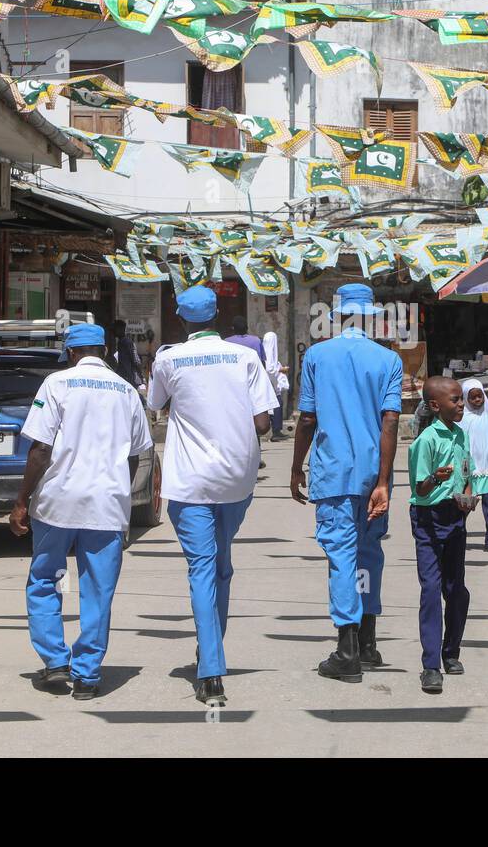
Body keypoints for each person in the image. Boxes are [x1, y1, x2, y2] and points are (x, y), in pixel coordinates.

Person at [147, 286, 279, 706]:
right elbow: (263, 423)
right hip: (237, 480)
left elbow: (158, 405)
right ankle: (211, 651)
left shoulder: (166, 358)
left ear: (181, 319)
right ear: (217, 314)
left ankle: (211, 671)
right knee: (221, 566)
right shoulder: (245, 357)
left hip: (190, 481)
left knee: (203, 571)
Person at [11, 322, 151, 701]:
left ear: (72, 353)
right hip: (107, 506)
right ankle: (87, 676)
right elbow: (136, 455)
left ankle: (55, 662)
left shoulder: (57, 384)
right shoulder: (126, 391)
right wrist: (119, 492)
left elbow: (40, 450)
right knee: (97, 590)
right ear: (103, 351)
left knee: (46, 579)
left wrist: (22, 499)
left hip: (57, 503)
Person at [291, 283, 403, 684]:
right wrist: (385, 481)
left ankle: (347, 649)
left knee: (341, 556)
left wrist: (295, 468)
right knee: (368, 555)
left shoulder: (318, 356)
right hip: (374, 475)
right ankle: (369, 641)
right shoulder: (389, 359)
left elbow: (307, 418)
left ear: (336, 315)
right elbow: (391, 421)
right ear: (371, 316)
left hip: (334, 476)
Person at [408, 377, 475, 694]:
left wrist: (467, 494)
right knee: (432, 590)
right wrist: (436, 477)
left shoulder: (461, 435)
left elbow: (466, 471)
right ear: (435, 406)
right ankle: (431, 664)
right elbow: (419, 489)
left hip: (455, 516)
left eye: (461, 399)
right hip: (429, 518)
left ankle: (452, 652)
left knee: (456, 589)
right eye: (455, 400)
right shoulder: (426, 441)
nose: (461, 404)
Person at [458, 378, 488, 554]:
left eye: (480, 396)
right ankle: (457, 538)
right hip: (469, 469)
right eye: (473, 398)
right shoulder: (462, 419)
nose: (478, 400)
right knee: (464, 507)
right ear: (466, 398)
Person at [262, 329, 290, 441]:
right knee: (277, 404)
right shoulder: (269, 352)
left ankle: (275, 431)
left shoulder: (263, 350)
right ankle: (276, 431)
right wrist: (282, 369)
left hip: (269, 383)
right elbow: (270, 368)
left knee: (273, 405)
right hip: (270, 383)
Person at [109, 319, 146, 391]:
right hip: (124, 377)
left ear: (120, 329)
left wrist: (141, 376)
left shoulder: (127, 342)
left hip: (129, 378)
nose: (113, 332)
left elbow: (136, 360)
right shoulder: (121, 342)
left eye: (114, 329)